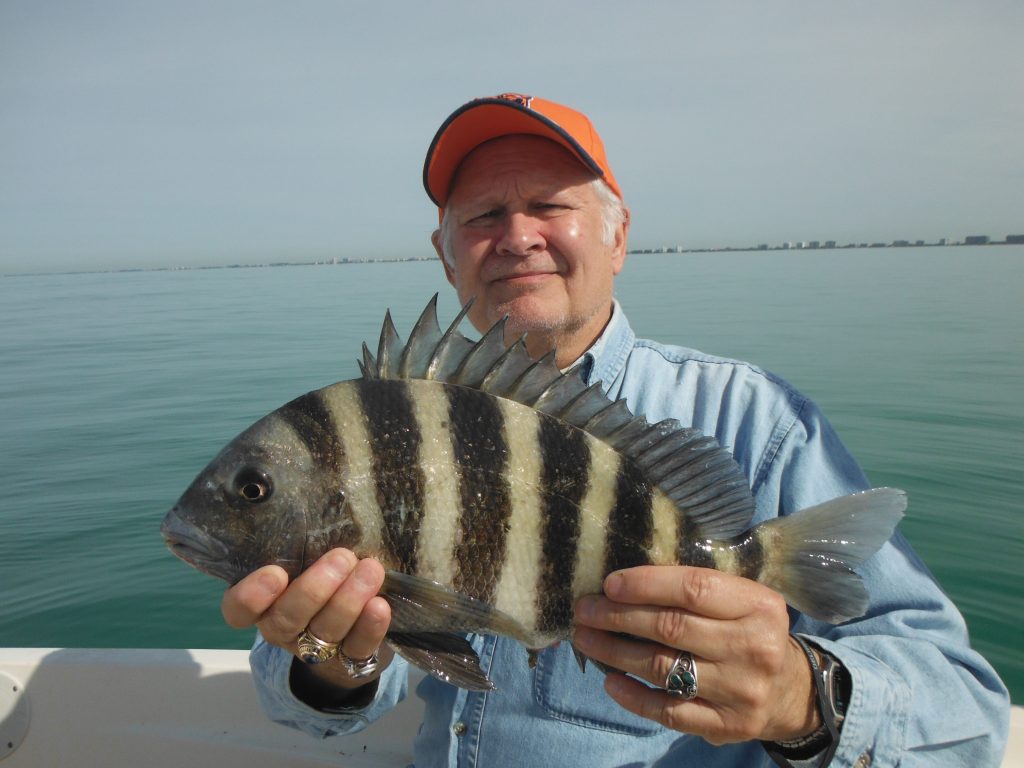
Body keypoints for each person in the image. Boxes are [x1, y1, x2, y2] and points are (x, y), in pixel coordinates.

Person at [221, 93, 1010, 767]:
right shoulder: (391, 427)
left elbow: (964, 709)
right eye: (485, 215)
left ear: (618, 235)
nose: (518, 235)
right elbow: (320, 702)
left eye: (551, 206)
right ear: (445, 252)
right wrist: (336, 664)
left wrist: (806, 697)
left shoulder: (756, 422)